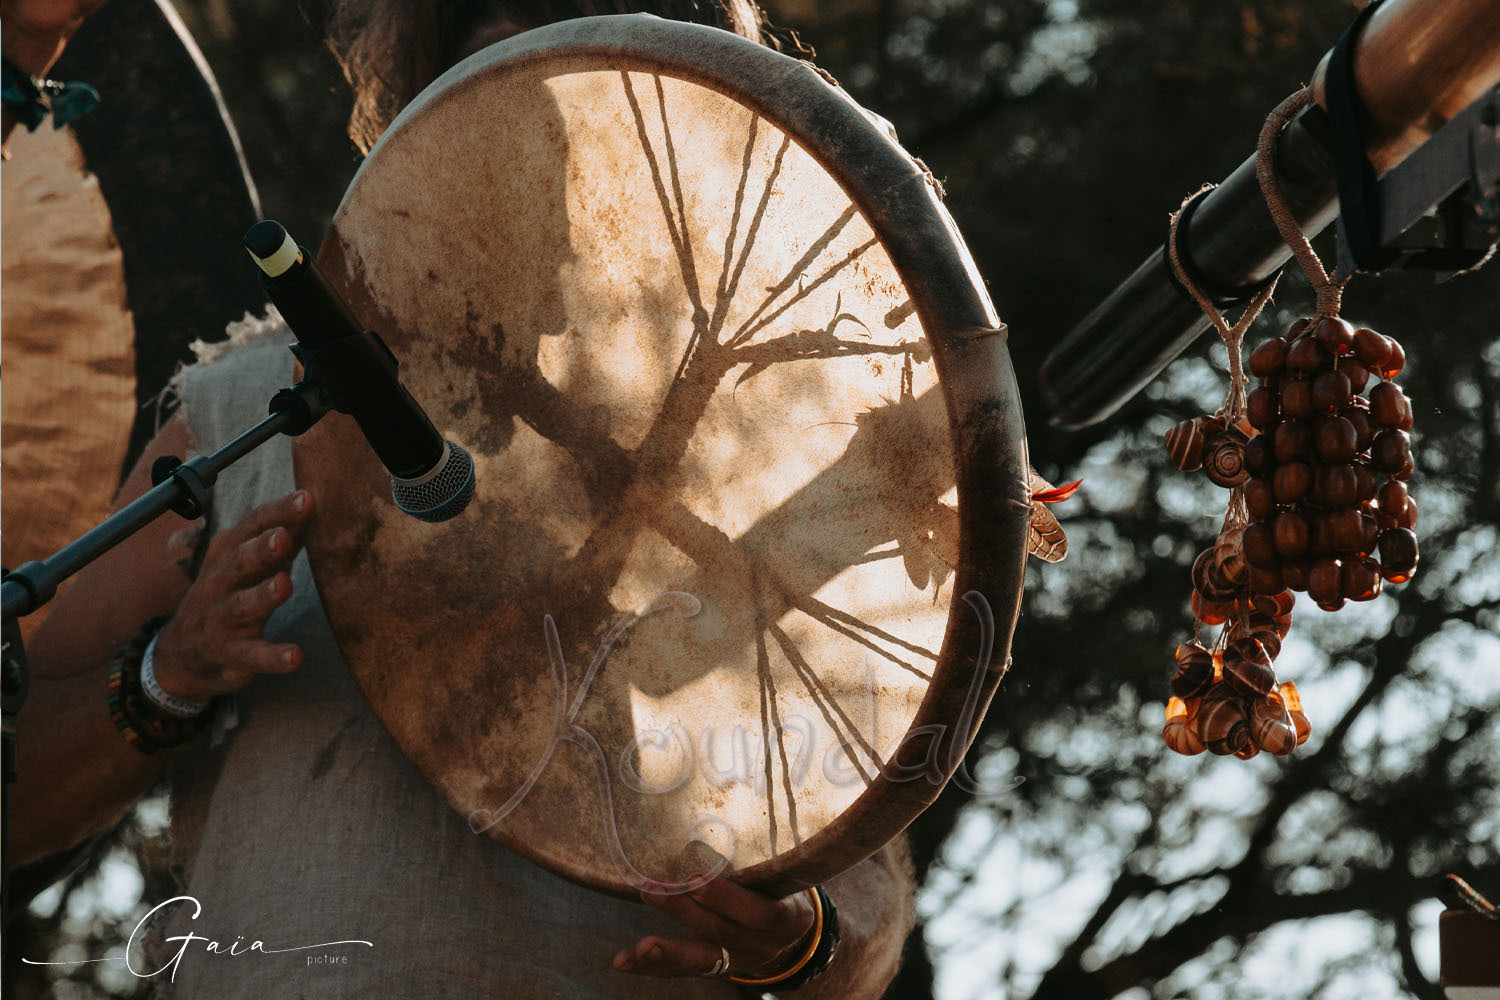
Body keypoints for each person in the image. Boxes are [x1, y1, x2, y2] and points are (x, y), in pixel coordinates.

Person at [10, 3, 916, 997]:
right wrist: (166, 673)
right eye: (496, 102)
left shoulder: (754, 462)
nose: (538, 148)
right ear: (414, 135)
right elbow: (17, 790)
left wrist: (799, 940)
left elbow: (863, 909)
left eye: (590, 110)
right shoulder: (250, 405)